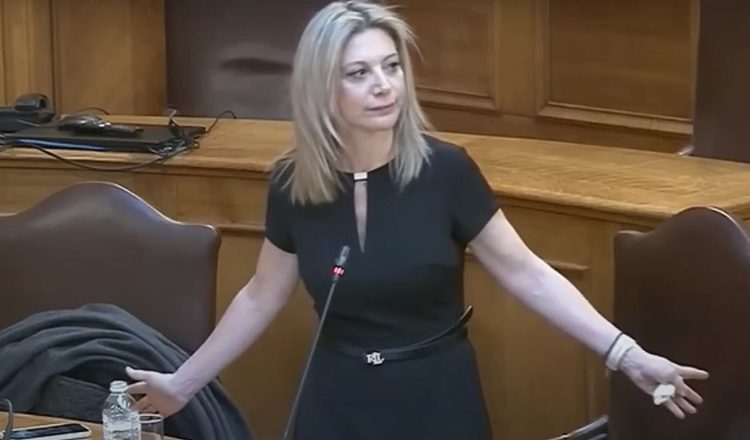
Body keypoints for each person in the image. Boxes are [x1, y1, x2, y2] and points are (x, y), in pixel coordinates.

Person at [125, 1, 709, 438]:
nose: (384, 86)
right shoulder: (292, 183)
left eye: (391, 66)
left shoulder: (446, 171)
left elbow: (527, 273)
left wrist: (627, 354)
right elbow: (261, 296)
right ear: (321, 89)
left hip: (437, 395)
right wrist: (182, 384)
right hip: (337, 398)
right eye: (359, 73)